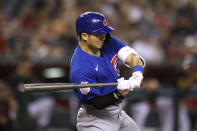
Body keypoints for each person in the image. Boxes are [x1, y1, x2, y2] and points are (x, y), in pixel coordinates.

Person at [69, 12, 145, 131]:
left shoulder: (106, 40)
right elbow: (97, 103)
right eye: (98, 34)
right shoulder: (80, 67)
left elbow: (132, 57)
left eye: (104, 32)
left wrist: (137, 73)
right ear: (84, 35)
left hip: (117, 112)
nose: (103, 36)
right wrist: (119, 93)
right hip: (95, 119)